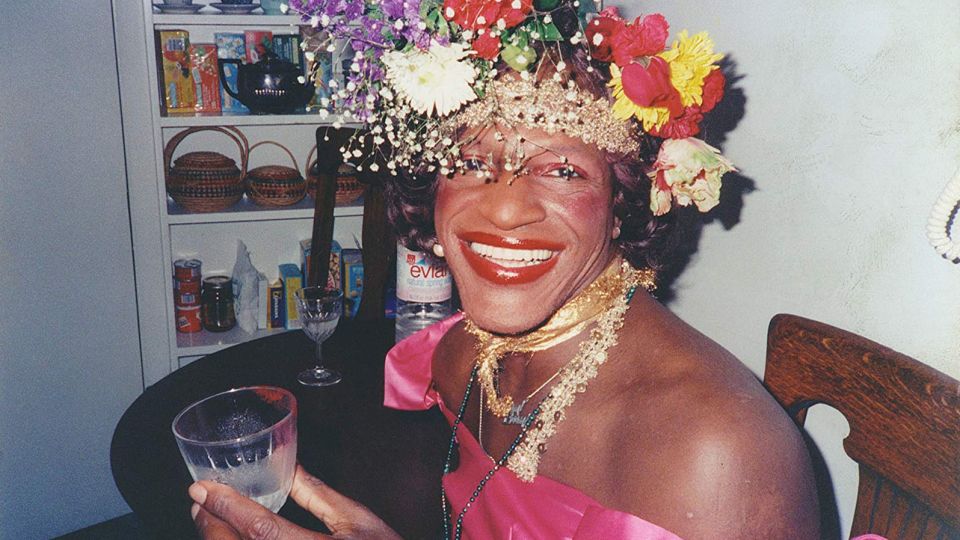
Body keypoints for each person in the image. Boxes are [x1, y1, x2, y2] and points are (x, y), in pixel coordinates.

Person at [188, 2, 831, 538]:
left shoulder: (716, 455)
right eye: (470, 162)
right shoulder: (465, 353)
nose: (502, 209)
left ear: (621, 206)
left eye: (561, 170)